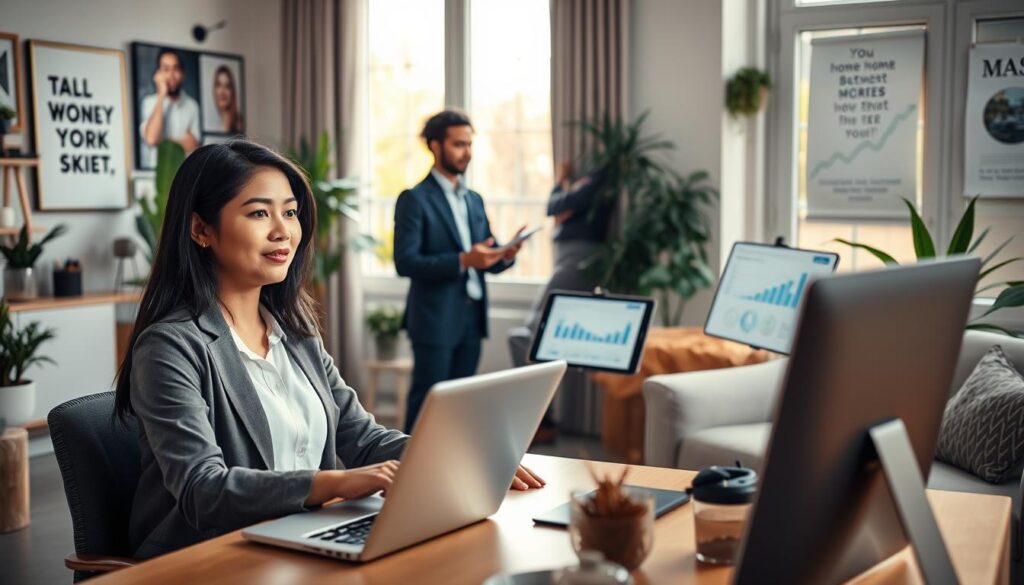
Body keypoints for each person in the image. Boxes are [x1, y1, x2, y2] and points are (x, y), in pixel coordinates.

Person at [114, 140, 544, 560]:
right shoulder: (170, 346)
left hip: (295, 539)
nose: (284, 231)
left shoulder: (296, 332)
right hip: (207, 558)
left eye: (290, 212)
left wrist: (467, 455)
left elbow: (360, 436)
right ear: (200, 229)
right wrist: (336, 483)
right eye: (259, 213)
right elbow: (202, 490)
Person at [394, 110, 524, 434]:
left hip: (472, 319)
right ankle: (407, 474)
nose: (467, 152)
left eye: (469, 144)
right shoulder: (414, 199)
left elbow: (484, 259)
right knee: (427, 405)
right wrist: (464, 260)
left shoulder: (474, 199)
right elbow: (405, 262)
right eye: (458, 144)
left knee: (461, 407)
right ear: (435, 146)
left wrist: (505, 254)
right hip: (434, 320)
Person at [508, 160, 611, 444]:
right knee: (523, 337)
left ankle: (541, 419)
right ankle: (541, 418)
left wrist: (563, 189)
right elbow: (557, 207)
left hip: (575, 265)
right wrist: (564, 191)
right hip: (566, 263)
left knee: (526, 336)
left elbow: (554, 206)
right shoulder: (583, 185)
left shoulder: (599, 177)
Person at [138, 48, 200, 167]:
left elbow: (193, 143)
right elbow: (151, 139)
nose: (171, 75)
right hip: (155, 177)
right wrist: (161, 95)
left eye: (175, 69)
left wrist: (163, 143)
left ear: (182, 74)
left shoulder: (192, 106)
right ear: (158, 74)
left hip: (183, 174)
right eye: (166, 69)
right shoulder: (149, 102)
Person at [212, 65, 244, 134]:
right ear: (214, 90)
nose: (222, 91)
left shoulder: (239, 125)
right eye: (219, 85)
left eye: (227, 86)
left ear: (232, 91)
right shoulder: (215, 125)